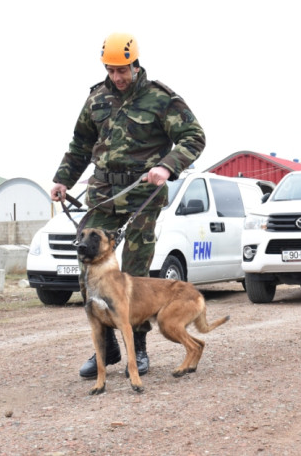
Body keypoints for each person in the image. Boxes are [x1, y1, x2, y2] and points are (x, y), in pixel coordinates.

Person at [50, 32, 206, 378]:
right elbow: (80, 143)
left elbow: (194, 137)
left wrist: (167, 166)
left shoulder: (160, 98)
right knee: (88, 269)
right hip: (103, 193)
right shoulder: (97, 98)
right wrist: (63, 179)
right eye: (111, 70)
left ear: (135, 65)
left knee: (134, 275)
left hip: (142, 195)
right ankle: (106, 348)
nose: (117, 77)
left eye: (122, 70)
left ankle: (139, 347)